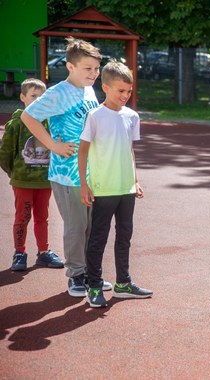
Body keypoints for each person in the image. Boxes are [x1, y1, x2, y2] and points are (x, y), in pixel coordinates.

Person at [20, 37, 112, 296]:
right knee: (76, 227)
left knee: (93, 227)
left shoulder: (89, 90)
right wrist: (52, 145)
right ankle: (76, 275)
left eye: (96, 68)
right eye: (88, 68)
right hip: (67, 174)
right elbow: (29, 116)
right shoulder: (58, 93)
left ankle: (91, 273)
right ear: (70, 67)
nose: (93, 74)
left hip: (92, 172)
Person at [78, 61, 152, 308]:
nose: (125, 96)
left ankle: (123, 284)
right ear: (105, 87)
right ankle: (94, 285)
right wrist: (84, 185)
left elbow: (129, 150)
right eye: (120, 91)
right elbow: (83, 152)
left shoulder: (132, 116)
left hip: (126, 189)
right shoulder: (95, 116)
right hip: (103, 188)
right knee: (98, 237)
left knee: (125, 236)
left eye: (128, 91)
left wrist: (136, 180)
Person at [0, 78, 64, 271]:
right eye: (33, 96)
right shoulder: (16, 123)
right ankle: (19, 253)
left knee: (42, 217)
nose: (38, 100)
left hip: (44, 182)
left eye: (42, 96)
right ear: (22, 97)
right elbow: (5, 153)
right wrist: (16, 173)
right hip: (23, 182)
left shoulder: (51, 122)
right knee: (23, 217)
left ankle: (43, 252)